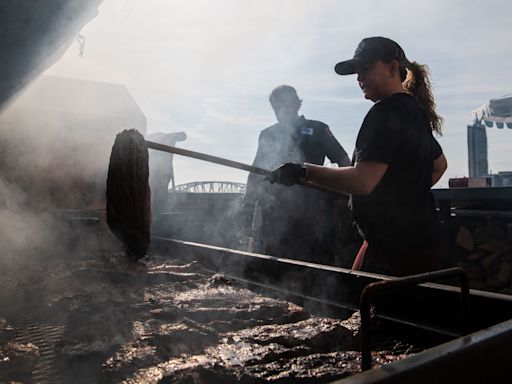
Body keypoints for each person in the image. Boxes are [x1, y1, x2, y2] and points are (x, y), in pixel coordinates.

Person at [268, 37, 448, 276]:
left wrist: (302, 170)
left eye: (366, 69)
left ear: (393, 68)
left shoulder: (383, 113)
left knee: (363, 308)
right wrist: (401, 196)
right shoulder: (415, 111)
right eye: (357, 72)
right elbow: (439, 165)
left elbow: (362, 181)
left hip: (392, 248)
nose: (359, 78)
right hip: (423, 241)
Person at [244, 85, 350, 263]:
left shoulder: (318, 129)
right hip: (277, 213)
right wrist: (247, 201)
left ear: (296, 104)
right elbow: (256, 171)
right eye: (276, 107)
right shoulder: (267, 135)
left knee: (317, 264)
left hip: (315, 212)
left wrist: (340, 191)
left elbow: (344, 161)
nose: (280, 111)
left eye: (284, 104)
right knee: (276, 266)